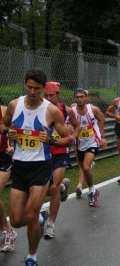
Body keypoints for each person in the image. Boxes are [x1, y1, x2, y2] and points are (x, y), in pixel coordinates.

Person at [0, 68, 73, 266]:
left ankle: (31, 256)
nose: (32, 92)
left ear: (43, 88)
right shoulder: (14, 105)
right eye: (29, 87)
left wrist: (50, 140)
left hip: (41, 166)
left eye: (37, 89)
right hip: (20, 166)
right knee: (15, 220)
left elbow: (68, 139)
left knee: (30, 215)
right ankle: (41, 217)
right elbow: (2, 124)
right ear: (24, 84)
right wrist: (7, 132)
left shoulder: (51, 110)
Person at [42, 82, 81, 239]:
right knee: (46, 189)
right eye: (46, 95)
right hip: (44, 152)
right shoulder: (41, 109)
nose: (49, 98)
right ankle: (63, 189)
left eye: (52, 95)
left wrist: (72, 137)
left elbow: (77, 126)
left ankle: (51, 225)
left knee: (53, 188)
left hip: (61, 152)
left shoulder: (67, 110)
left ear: (58, 95)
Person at [72, 88, 107, 206]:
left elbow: (101, 119)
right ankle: (90, 185)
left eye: (82, 96)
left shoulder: (93, 109)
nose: (80, 99)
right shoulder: (71, 110)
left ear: (86, 98)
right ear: (74, 98)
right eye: (77, 97)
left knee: (86, 168)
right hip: (79, 143)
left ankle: (92, 192)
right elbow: (65, 122)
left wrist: (102, 137)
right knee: (83, 168)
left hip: (93, 141)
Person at [0, 105, 16, 252]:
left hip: (3, 157)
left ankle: (5, 233)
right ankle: (7, 230)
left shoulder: (4, 110)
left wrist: (13, 146)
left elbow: (16, 129)